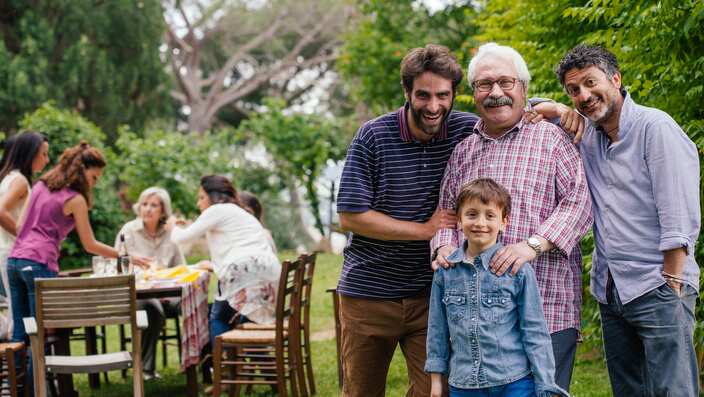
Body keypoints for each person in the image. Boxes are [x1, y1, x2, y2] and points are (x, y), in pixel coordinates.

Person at [336, 43, 562, 397]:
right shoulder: (374, 136)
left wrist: (557, 110)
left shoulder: (463, 129)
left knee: (433, 391)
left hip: (431, 294)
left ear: (456, 94)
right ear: (407, 92)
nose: (433, 106)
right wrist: (424, 231)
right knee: (361, 391)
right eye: (423, 95)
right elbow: (350, 216)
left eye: (443, 95)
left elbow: (505, 109)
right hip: (370, 294)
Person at [431, 43, 592, 392]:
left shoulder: (553, 138)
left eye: (506, 82)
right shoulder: (464, 150)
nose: (496, 93)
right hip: (478, 320)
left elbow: (580, 202)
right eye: (485, 84)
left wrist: (531, 246)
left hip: (547, 307)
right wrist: (443, 247)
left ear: (524, 88)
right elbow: (446, 214)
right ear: (473, 93)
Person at [555, 44, 700, 396]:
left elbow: (678, 210)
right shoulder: (588, 136)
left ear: (616, 79)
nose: (584, 96)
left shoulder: (655, 128)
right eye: (574, 91)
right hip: (610, 290)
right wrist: (555, 107)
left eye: (590, 83)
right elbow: (519, 106)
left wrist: (672, 282)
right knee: (629, 390)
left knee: (672, 390)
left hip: (659, 285)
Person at [7, 141, 145, 394]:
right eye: (94, 177)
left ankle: (13, 391)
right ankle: (32, 391)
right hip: (39, 263)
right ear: (82, 171)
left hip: (15, 261)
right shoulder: (75, 199)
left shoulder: (39, 186)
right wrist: (127, 255)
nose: (95, 183)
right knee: (40, 338)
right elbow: (89, 244)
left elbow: (19, 227)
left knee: (20, 334)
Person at [426, 178, 567, 397]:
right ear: (459, 222)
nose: (480, 222)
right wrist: (436, 380)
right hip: (464, 384)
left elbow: (535, 331)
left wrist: (545, 382)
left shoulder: (518, 270)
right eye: (471, 214)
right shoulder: (446, 271)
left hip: (513, 382)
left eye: (490, 215)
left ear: (504, 222)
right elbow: (437, 329)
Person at [169, 176, 280, 346]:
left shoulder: (217, 209)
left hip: (244, 272)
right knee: (242, 318)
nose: (199, 204)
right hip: (270, 276)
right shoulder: (240, 212)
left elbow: (182, 238)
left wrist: (172, 226)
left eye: (201, 197)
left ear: (214, 196)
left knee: (218, 316)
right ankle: (252, 362)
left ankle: (223, 367)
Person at [115, 186, 186, 380]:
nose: (147, 209)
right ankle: (146, 369)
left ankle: (194, 363)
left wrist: (167, 289)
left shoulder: (171, 234)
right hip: (139, 294)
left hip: (168, 293)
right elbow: (119, 265)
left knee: (193, 304)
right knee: (151, 308)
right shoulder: (129, 230)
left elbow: (181, 268)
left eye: (153, 205)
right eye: (144, 204)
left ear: (163, 210)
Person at [0, 131, 50, 339]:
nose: (47, 160)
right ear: (30, 153)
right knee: (21, 315)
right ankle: (21, 367)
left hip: (8, 252)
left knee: (16, 313)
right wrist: (25, 239)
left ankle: (19, 367)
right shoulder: (19, 180)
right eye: (44, 154)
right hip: (12, 253)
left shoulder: (9, 178)